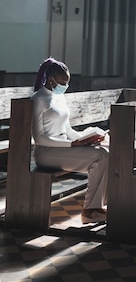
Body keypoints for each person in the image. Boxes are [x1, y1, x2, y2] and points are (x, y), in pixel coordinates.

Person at [31, 57, 109, 224]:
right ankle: (91, 210)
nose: (65, 85)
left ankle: (96, 207)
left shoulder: (59, 98)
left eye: (67, 82)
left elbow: (67, 130)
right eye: (62, 82)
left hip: (63, 148)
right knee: (101, 156)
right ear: (51, 79)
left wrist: (85, 138)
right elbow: (38, 138)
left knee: (105, 151)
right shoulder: (38, 99)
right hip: (46, 153)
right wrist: (72, 144)